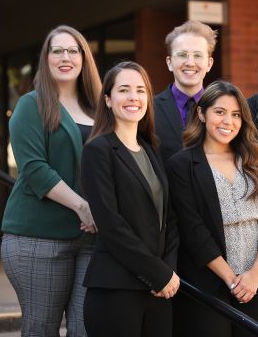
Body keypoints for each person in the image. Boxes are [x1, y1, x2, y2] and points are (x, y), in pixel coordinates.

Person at [0, 25, 101, 336]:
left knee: (87, 328)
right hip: (38, 239)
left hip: (92, 239)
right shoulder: (32, 105)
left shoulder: (99, 106)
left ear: (84, 58)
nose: (65, 57)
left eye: (73, 50)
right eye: (57, 51)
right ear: (46, 59)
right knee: (42, 328)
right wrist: (83, 207)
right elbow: (34, 169)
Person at [166, 81, 258, 337]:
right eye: (219, 112)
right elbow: (192, 229)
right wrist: (231, 279)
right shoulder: (181, 165)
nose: (227, 121)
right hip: (209, 284)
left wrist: (255, 274)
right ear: (201, 113)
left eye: (235, 114)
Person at [80, 61, 180, 337]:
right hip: (116, 288)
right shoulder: (98, 150)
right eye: (124, 90)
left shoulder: (151, 149)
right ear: (108, 100)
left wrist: (168, 271)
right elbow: (111, 224)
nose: (133, 97)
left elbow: (169, 218)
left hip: (159, 291)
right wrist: (157, 274)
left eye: (140, 90)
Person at [155, 20, 217, 162]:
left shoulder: (221, 109)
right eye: (182, 55)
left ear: (209, 63)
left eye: (198, 55)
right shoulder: (148, 109)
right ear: (169, 63)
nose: (190, 62)